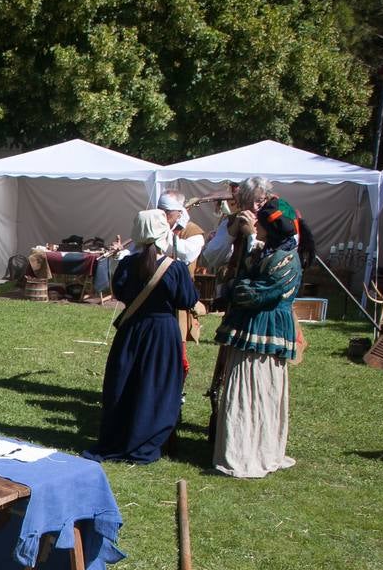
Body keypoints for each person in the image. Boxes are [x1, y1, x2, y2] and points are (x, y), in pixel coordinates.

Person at [83, 210, 199, 464]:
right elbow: (188, 300)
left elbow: (122, 293)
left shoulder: (126, 265)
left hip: (133, 331)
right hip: (162, 334)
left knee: (126, 385)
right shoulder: (175, 268)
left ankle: (120, 438)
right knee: (155, 387)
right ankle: (143, 442)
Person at [211, 199, 303, 478]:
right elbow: (250, 272)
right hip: (254, 327)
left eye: (260, 224)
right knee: (246, 387)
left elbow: (255, 293)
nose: (256, 226)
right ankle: (244, 446)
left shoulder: (287, 259)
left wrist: (234, 286)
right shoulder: (272, 252)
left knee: (259, 388)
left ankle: (252, 451)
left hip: (266, 329)